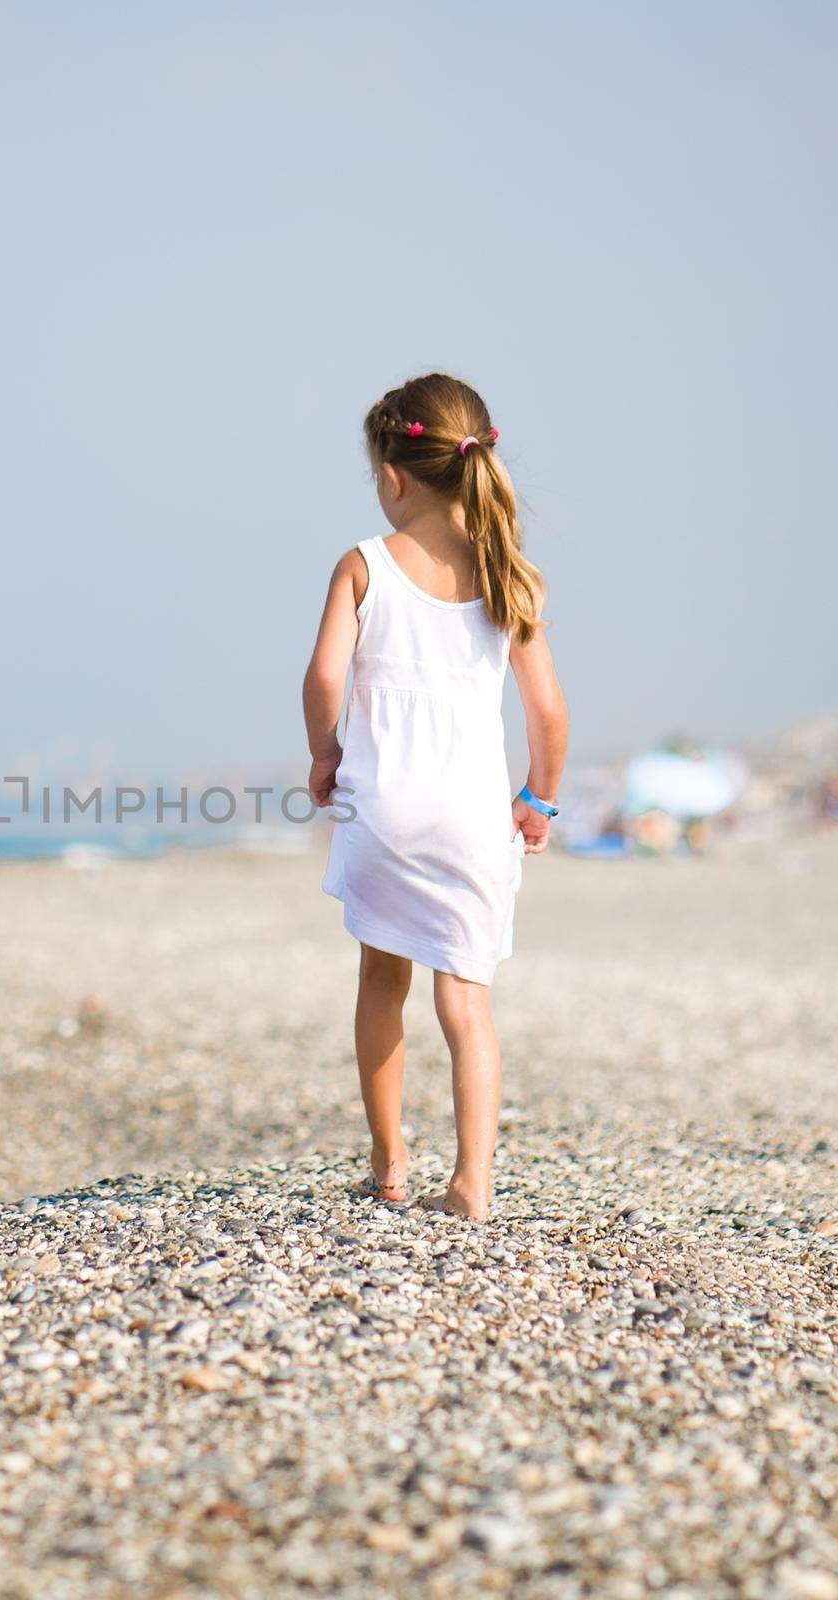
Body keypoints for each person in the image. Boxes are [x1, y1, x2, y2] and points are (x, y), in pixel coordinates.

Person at [302, 373, 569, 1221]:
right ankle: (473, 1184)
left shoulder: (364, 564)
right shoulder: (505, 574)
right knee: (466, 996)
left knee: (382, 977)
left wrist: (325, 752)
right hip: (470, 818)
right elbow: (548, 714)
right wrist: (539, 800)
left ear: (393, 475)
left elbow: (322, 677)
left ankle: (387, 1165)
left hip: (383, 808)